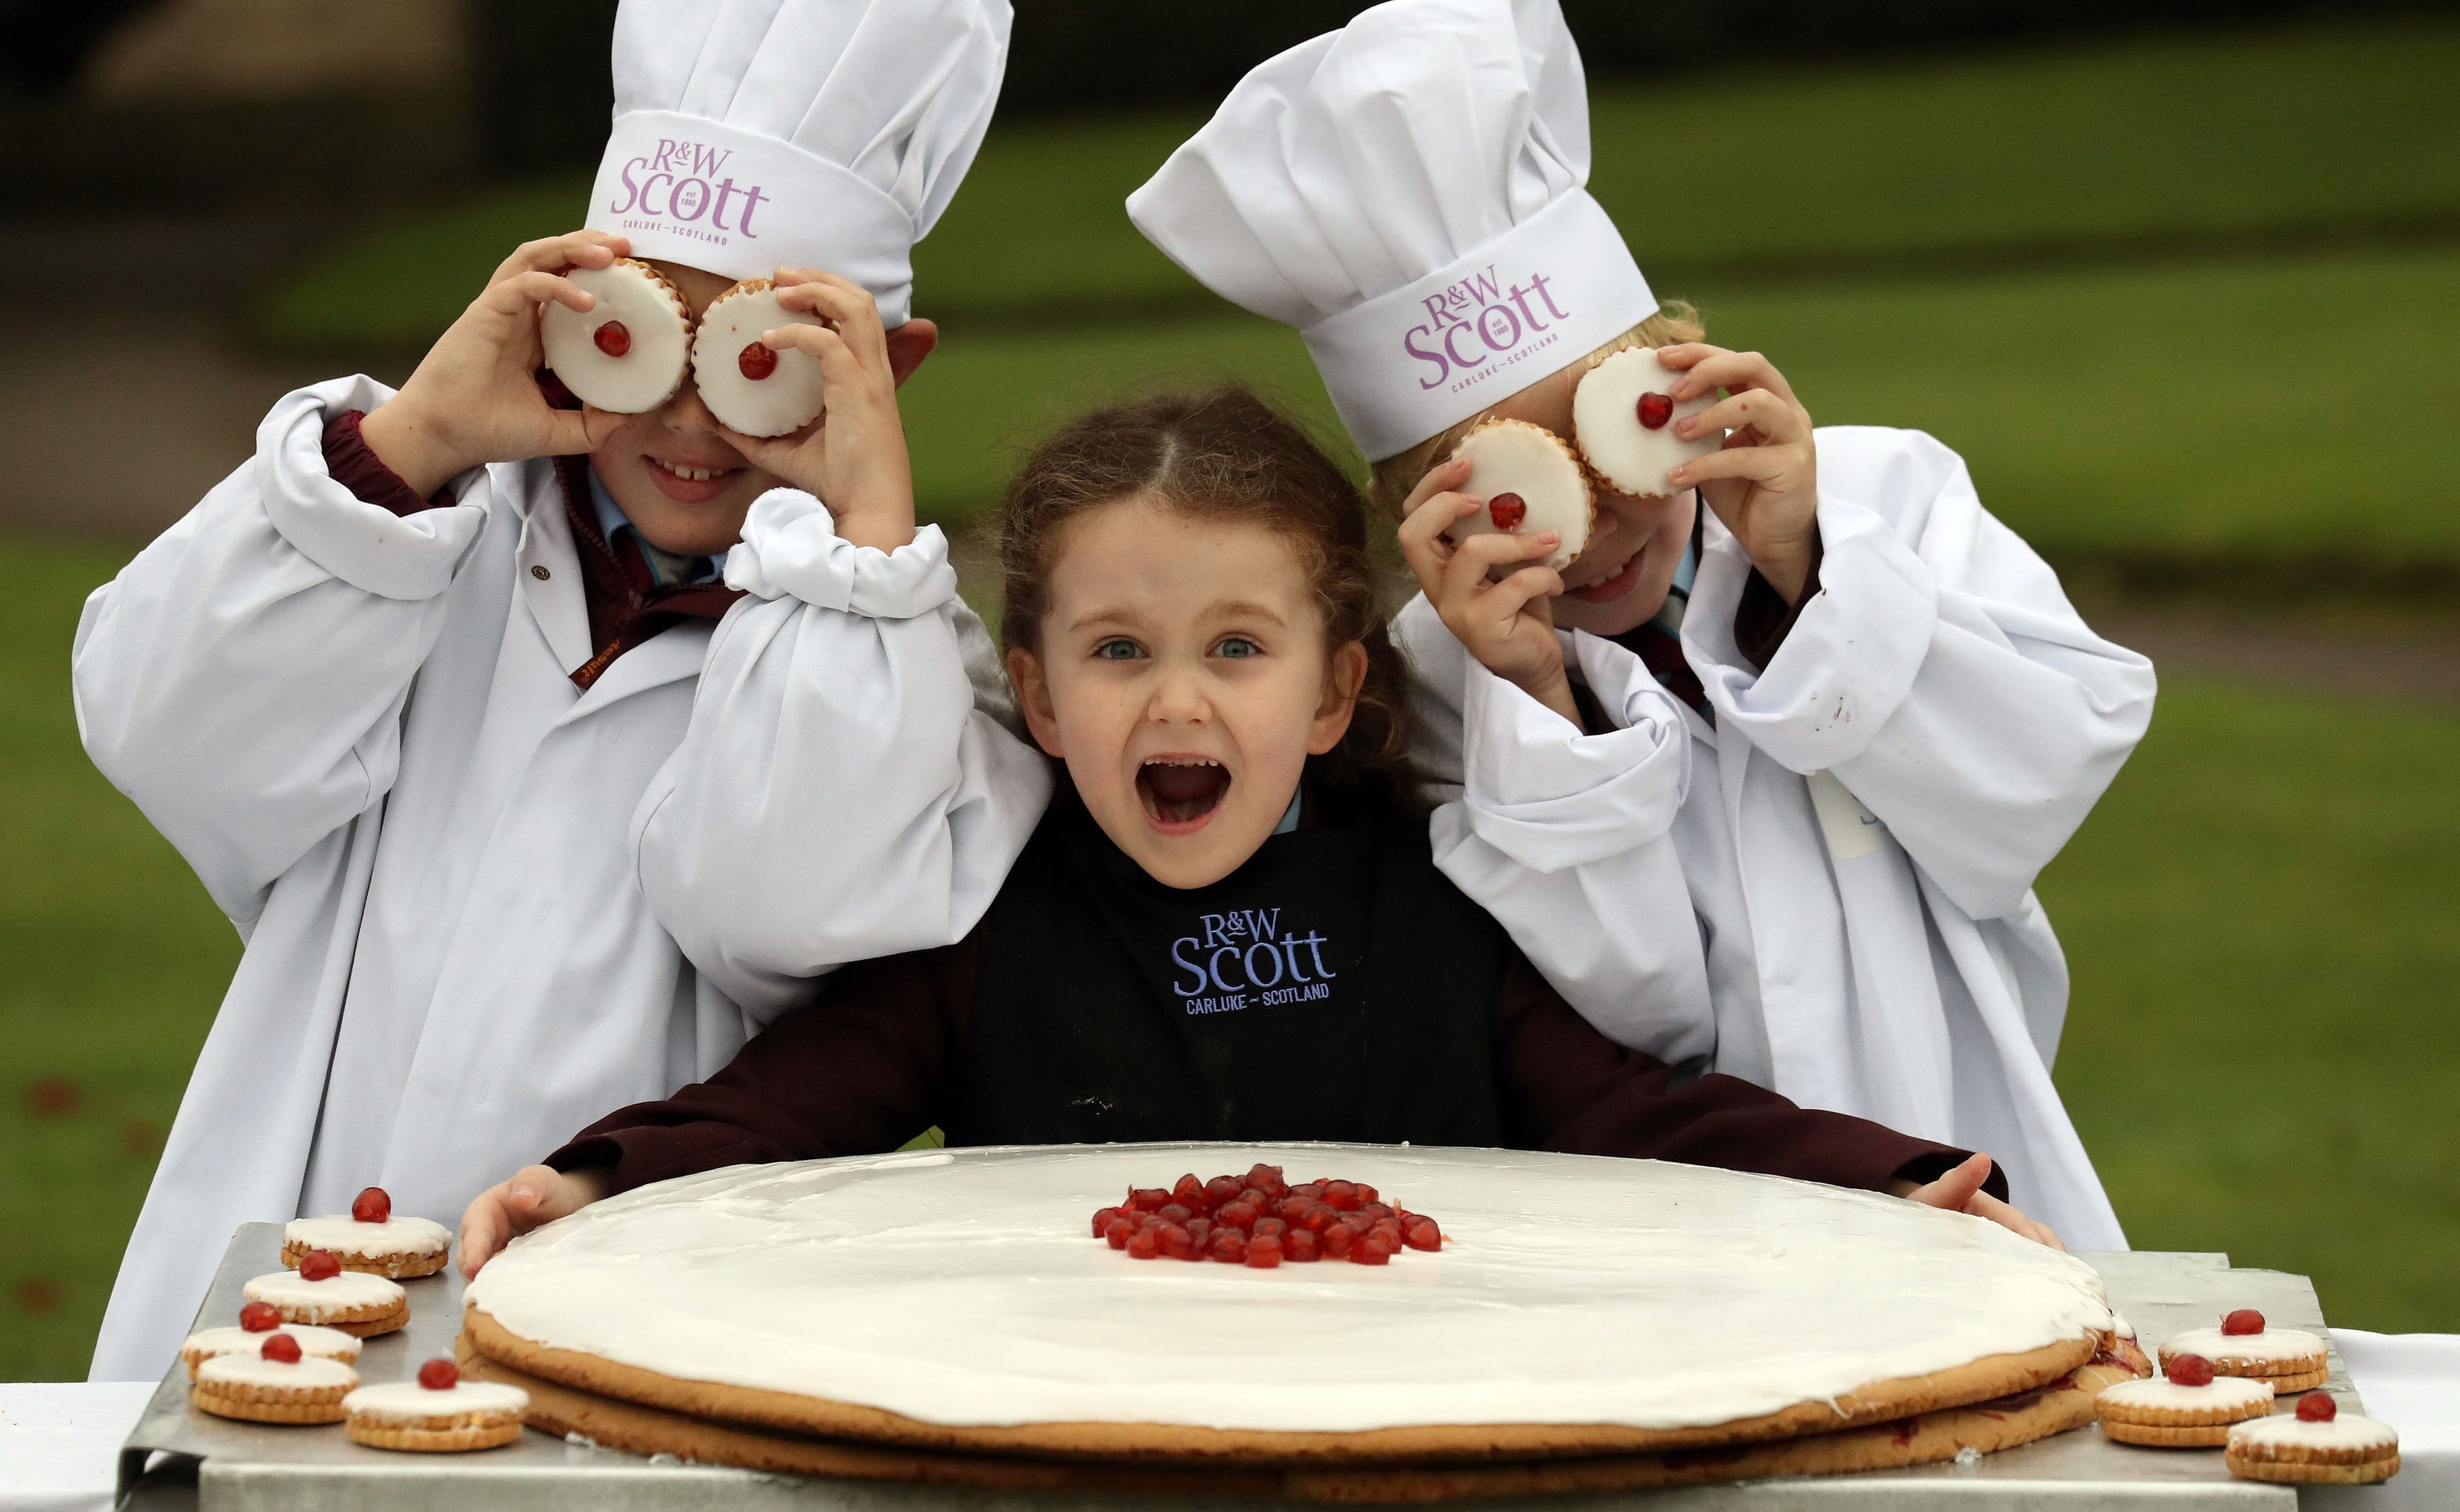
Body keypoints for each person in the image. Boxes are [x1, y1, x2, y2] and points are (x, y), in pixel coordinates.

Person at [461, 387, 2059, 1272]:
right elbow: (791, 1099)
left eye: (1238, 649)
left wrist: (1891, 1177)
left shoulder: (1429, 908)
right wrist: (600, 1179)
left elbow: (1640, 1114)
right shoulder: (987, 922)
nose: (1178, 706)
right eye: (1116, 653)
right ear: (1031, 689)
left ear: (1330, 689)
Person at [72, 0, 1012, 1380]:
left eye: (762, 361)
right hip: (286, 1293)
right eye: (640, 337)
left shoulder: (913, 670)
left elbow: (783, 907)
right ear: (566, 309)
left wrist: (853, 572)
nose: (690, 417)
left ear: (887, 368)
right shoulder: (397, 548)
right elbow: (158, 724)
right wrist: (413, 440)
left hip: (636, 1335)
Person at [1123, 0, 2155, 1248]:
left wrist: (1807, 572)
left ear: (1683, 377)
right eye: (1516, 492)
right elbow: (1633, 1011)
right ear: (1414, 511)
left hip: (1967, 1156)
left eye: (1616, 434)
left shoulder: (1879, 495)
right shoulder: (1437, 689)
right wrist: (1540, 706)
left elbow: (2045, 771)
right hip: (1670, 1222)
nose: (1595, 524)